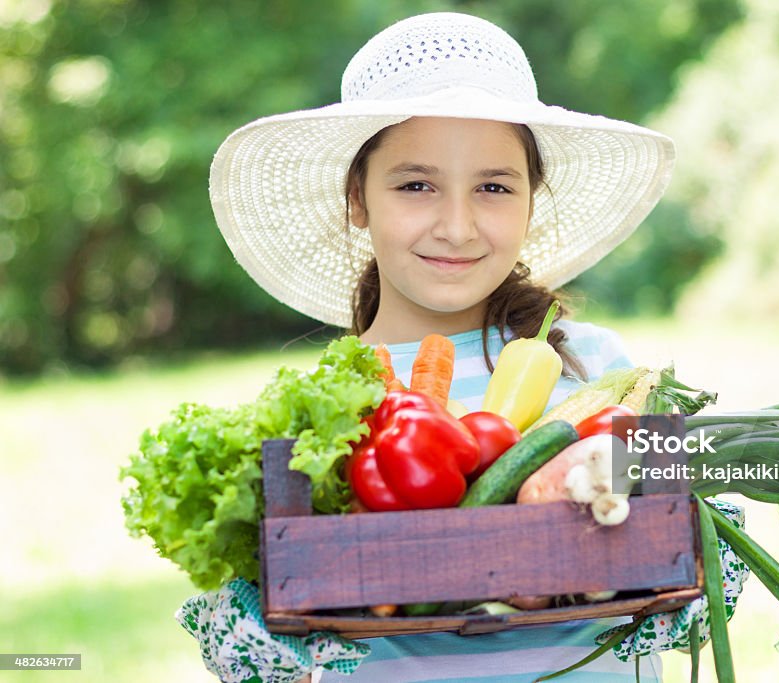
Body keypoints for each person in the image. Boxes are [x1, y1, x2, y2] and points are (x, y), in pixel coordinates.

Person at [179, 12, 749, 682]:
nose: (456, 226)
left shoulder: (601, 369)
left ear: (530, 200)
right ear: (358, 196)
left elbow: (704, 564)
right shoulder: (321, 412)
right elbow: (257, 655)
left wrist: (685, 541)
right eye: (416, 184)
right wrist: (268, 602)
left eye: (493, 186)